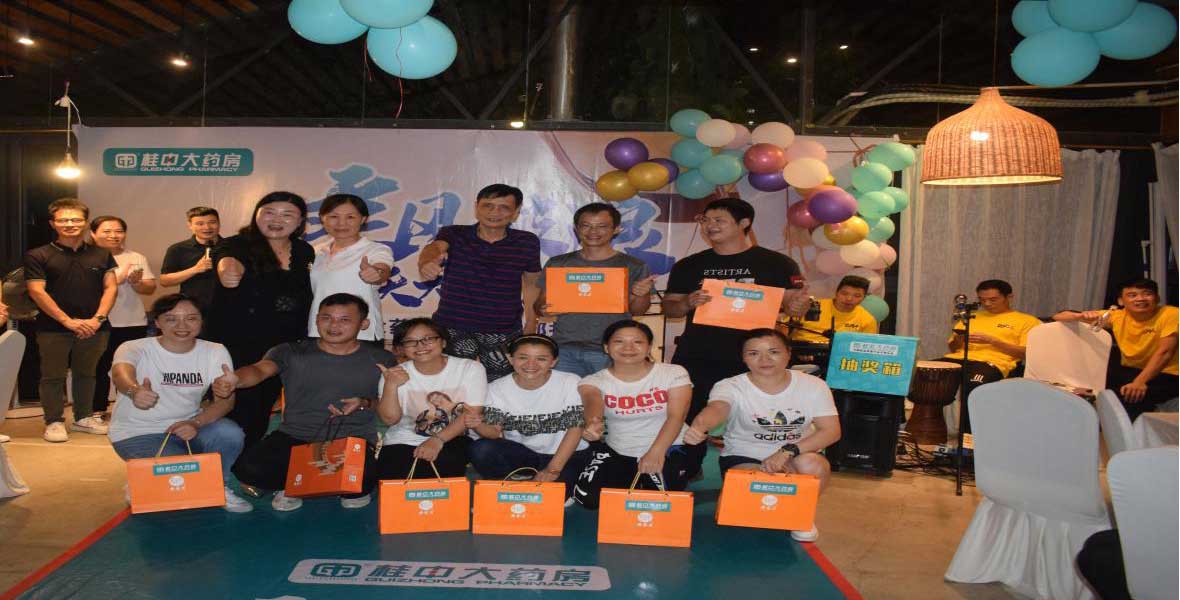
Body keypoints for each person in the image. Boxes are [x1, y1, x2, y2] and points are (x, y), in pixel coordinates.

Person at [221, 293, 395, 511]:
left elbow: (388, 406)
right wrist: (236, 379)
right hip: (295, 436)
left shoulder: (381, 359)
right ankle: (296, 484)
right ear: (316, 319)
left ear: (364, 324)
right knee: (248, 469)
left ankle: (299, 481)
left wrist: (364, 402)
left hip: (351, 439)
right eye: (326, 318)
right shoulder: (291, 352)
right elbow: (259, 370)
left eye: (344, 320)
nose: (334, 325)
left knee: (365, 479)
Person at [662, 197, 811, 440]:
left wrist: (798, 305)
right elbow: (670, 308)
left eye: (719, 220)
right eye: (706, 220)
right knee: (691, 420)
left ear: (744, 223)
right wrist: (687, 302)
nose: (710, 226)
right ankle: (688, 459)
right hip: (699, 355)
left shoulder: (777, 264)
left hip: (754, 358)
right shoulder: (689, 265)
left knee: (753, 419)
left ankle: (746, 458)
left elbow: (793, 306)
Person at [684, 328, 840, 542]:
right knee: (739, 515)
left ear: (788, 353)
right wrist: (699, 426)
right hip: (745, 456)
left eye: (773, 352)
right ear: (743, 358)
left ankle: (801, 515)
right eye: (753, 353)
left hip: (796, 455)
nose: (764, 360)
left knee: (814, 465)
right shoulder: (730, 385)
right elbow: (718, 408)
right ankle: (763, 500)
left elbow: (831, 431)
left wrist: (787, 451)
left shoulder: (814, 385)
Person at [107, 294, 251, 513]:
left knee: (229, 433)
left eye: (191, 318)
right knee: (184, 476)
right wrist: (134, 390)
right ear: (157, 322)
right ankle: (142, 481)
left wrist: (195, 423)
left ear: (201, 321)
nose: (182, 326)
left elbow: (226, 403)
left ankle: (218, 486)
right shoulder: (134, 347)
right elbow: (120, 372)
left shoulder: (214, 351)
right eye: (171, 319)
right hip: (138, 433)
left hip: (188, 428)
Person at [209, 192, 314, 448]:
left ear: (300, 221)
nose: (277, 220)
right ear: (256, 215)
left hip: (284, 347)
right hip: (239, 345)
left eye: (287, 214)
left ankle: (246, 462)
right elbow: (226, 259)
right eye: (269, 212)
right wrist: (227, 270)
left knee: (263, 409)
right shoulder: (238, 244)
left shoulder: (304, 251)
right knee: (237, 410)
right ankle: (223, 464)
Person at [417, 184, 541, 381]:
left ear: (516, 212)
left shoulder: (526, 241)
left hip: (503, 328)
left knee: (500, 385)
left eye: (504, 207)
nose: (494, 212)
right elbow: (434, 248)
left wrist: (532, 322)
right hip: (453, 326)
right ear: (476, 207)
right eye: (488, 206)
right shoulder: (454, 234)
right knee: (451, 383)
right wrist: (427, 262)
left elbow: (532, 283)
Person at [571, 320, 695, 509]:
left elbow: (677, 416)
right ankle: (634, 479)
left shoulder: (673, 372)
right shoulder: (593, 380)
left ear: (649, 347)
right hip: (619, 449)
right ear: (606, 347)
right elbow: (592, 402)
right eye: (619, 341)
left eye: (637, 342)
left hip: (668, 446)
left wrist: (656, 452)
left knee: (661, 502)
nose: (628, 348)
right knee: (588, 498)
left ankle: (659, 476)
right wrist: (592, 423)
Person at [24, 198, 117, 443]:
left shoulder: (102, 254)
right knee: (52, 376)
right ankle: (54, 421)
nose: (70, 224)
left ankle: (83, 417)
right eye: (63, 220)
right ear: (53, 224)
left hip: (95, 327)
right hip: (53, 328)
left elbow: (110, 288)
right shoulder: (38, 255)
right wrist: (67, 321)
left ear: (85, 223)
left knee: (87, 373)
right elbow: (36, 291)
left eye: (76, 219)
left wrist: (97, 319)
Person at [535, 202, 656, 376]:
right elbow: (539, 305)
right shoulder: (558, 263)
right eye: (586, 225)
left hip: (609, 349)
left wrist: (641, 294)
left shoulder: (634, 266)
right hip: (565, 348)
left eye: (602, 226)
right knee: (566, 394)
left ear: (616, 229)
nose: (593, 231)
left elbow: (638, 311)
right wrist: (544, 309)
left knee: (606, 394)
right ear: (576, 229)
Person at [467, 334, 591, 497]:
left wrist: (553, 469)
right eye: (523, 357)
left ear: (553, 362)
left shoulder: (569, 382)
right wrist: (477, 424)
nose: (531, 364)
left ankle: (538, 480)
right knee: (482, 449)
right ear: (510, 359)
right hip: (526, 454)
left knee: (552, 498)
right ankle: (511, 480)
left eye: (541, 359)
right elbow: (494, 432)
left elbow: (576, 429)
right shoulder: (497, 388)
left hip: (568, 455)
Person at [1054, 278, 1178, 420]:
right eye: (1132, 295)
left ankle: (1131, 432)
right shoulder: (1117, 316)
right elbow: (1058, 316)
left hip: (1168, 374)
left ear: (1157, 298)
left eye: (1147, 294)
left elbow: (1165, 352)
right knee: (1094, 390)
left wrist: (1139, 382)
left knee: (1128, 398)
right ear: (1121, 301)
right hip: (1131, 370)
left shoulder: (1171, 314)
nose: (1140, 299)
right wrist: (1080, 316)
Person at [376, 318, 486, 479]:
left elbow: (471, 413)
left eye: (428, 339)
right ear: (402, 348)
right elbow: (390, 420)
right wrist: (391, 385)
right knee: (392, 475)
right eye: (410, 341)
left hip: (454, 436)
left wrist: (437, 440)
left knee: (444, 465)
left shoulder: (469, 368)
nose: (420, 346)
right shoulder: (394, 374)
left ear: (443, 342)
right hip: (404, 439)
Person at [943, 279, 1042, 432]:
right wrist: (959, 339)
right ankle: (927, 432)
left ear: (1009, 297)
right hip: (959, 359)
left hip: (994, 363)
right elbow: (953, 348)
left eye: (993, 299)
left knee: (975, 386)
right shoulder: (970, 317)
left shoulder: (1027, 321)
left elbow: (1026, 353)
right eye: (982, 300)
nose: (987, 303)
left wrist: (993, 342)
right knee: (923, 373)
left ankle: (970, 436)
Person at [90, 216, 156, 416]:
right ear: (93, 234)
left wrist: (137, 283)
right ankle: (97, 411)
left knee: (129, 367)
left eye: (119, 231)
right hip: (97, 321)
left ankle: (127, 410)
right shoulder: (87, 258)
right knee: (98, 368)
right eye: (107, 231)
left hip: (132, 321)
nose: (113, 235)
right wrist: (115, 280)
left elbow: (150, 287)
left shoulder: (136, 257)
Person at [308, 194, 394, 345]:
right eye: (334, 216)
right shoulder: (316, 251)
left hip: (361, 334)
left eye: (350, 217)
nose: (341, 223)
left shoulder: (376, 249)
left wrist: (376, 273)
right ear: (322, 218)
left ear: (363, 219)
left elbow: (382, 269)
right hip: (320, 331)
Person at [159, 207, 222, 310]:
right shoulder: (178, 249)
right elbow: (164, 281)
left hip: (228, 306)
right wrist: (195, 269)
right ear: (190, 225)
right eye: (200, 224)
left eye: (212, 222)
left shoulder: (232, 246)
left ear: (219, 223)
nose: (207, 227)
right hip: (193, 308)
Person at [787, 275, 878, 343]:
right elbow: (783, 328)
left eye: (857, 296)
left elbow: (866, 346)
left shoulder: (867, 319)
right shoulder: (810, 306)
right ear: (836, 293)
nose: (849, 298)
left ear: (864, 298)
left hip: (840, 357)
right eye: (844, 293)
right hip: (802, 351)